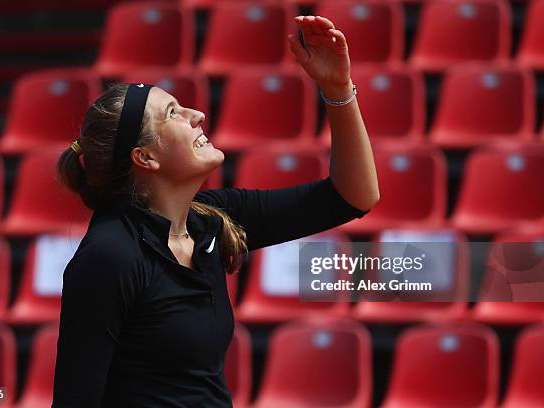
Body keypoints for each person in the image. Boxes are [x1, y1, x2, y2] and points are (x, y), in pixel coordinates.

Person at [51, 15, 379, 408]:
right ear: (145, 157)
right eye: (173, 113)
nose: (197, 115)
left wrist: (337, 88)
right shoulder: (110, 257)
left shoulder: (208, 218)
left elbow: (351, 198)